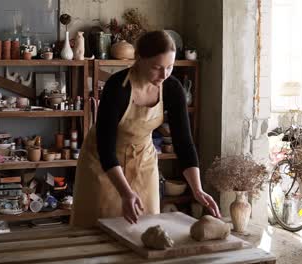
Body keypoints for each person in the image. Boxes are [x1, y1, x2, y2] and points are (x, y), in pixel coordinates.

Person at [71, 31, 220, 228]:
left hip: (143, 158)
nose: (164, 75)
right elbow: (105, 149)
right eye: (157, 67)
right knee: (100, 229)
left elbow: (184, 143)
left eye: (170, 67)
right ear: (139, 59)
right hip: (102, 162)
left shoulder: (172, 88)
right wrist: (125, 193)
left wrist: (197, 189)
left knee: (146, 228)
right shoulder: (117, 87)